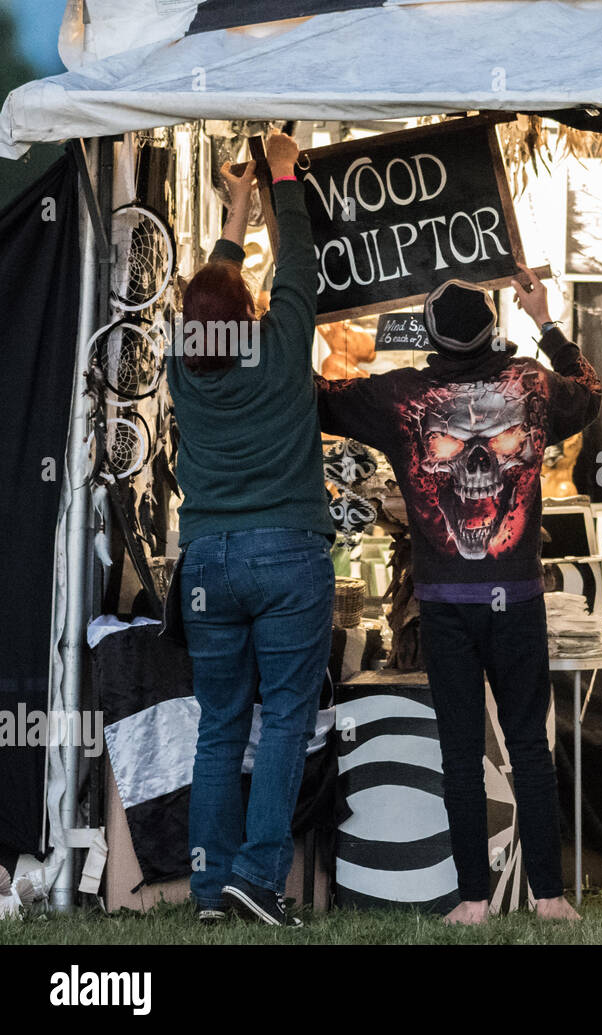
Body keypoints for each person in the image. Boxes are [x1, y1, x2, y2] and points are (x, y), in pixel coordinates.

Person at [316, 269, 599, 923]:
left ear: (434, 336)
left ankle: (473, 899)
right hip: (519, 598)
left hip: (446, 603)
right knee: (529, 744)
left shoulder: (405, 395)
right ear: (492, 328)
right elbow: (589, 391)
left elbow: (318, 397)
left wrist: (304, 307)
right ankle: (549, 896)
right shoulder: (529, 383)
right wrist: (546, 319)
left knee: (460, 749)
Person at [168, 131, 334, 927]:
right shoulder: (280, 341)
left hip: (206, 561)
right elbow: (298, 260)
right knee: (284, 722)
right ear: (248, 307)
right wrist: (281, 173)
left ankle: (207, 891)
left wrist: (239, 203)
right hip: (288, 550)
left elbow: (211, 295)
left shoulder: (181, 361)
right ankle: (258, 880)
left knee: (219, 727)